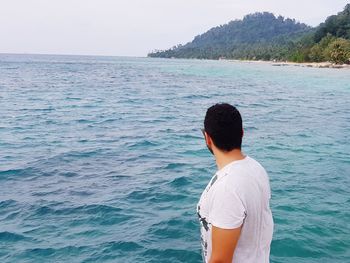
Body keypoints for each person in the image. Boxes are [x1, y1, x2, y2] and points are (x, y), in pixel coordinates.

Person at [197, 103, 274, 263]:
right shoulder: (256, 168)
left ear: (207, 138)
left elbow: (221, 260)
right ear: (242, 133)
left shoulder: (227, 188)